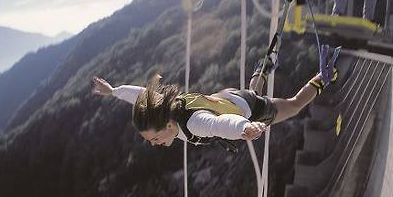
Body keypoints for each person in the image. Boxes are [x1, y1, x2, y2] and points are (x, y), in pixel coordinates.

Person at [90, 60, 334, 149]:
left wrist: (244, 128)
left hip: (248, 110)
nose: (154, 144)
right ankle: (260, 70)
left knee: (294, 105)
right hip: (227, 97)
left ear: (168, 125)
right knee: (252, 93)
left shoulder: (194, 124)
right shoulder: (166, 107)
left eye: (154, 138)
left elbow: (218, 125)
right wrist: (114, 92)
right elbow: (142, 95)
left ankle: (324, 75)